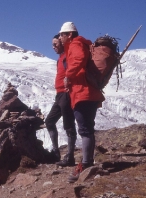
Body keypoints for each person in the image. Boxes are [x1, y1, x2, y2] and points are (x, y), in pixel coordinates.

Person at [58, 22, 105, 182]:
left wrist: (68, 76)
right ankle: (87, 162)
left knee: (84, 130)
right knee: (88, 129)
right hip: (88, 93)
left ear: (69, 34)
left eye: (62, 34)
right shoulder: (80, 44)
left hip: (83, 93)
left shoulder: (76, 44)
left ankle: (86, 164)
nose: (60, 37)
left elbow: (79, 60)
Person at [45, 34, 77, 166]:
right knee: (49, 121)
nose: (53, 47)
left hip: (66, 94)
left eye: (55, 44)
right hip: (59, 95)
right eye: (52, 45)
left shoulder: (68, 57)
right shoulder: (60, 59)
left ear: (62, 43)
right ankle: (56, 152)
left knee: (69, 125)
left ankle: (70, 157)